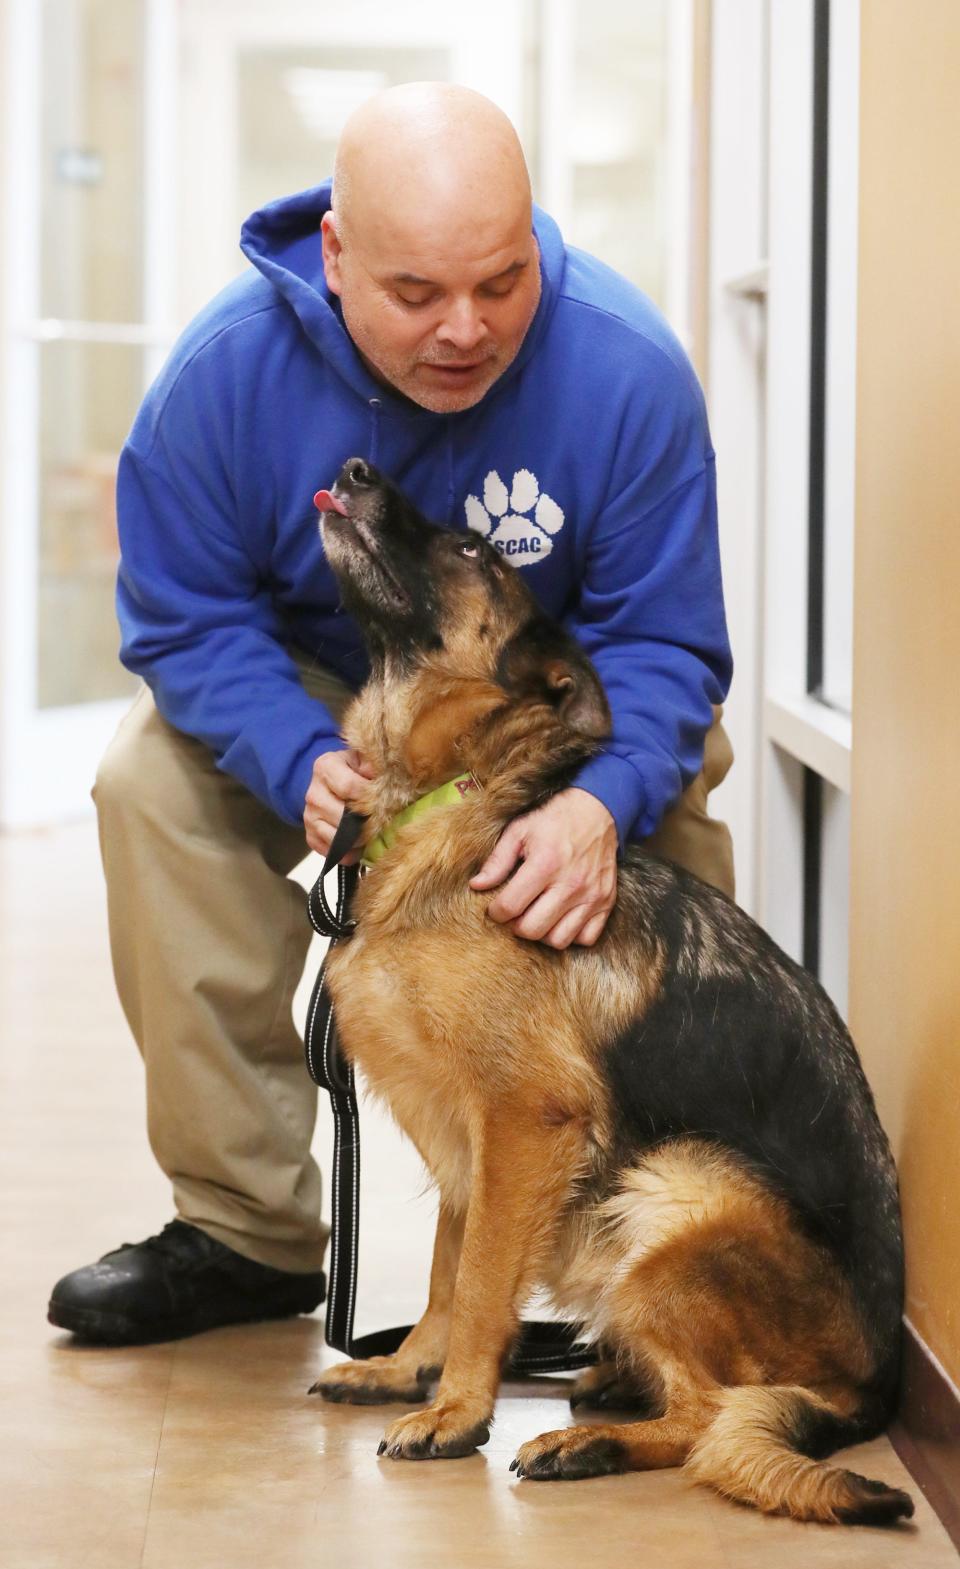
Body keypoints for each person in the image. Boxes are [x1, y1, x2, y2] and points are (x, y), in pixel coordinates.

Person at [48, 83, 734, 1345]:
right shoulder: (220, 382)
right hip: (317, 683)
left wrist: (598, 802)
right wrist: (293, 754)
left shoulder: (628, 373)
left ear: (534, 239)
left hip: (528, 692)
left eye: (502, 282)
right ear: (337, 255)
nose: (467, 330)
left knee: (670, 801)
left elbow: (662, 640)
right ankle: (243, 1231)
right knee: (150, 786)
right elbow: (187, 616)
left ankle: (664, 1223)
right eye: (417, 295)